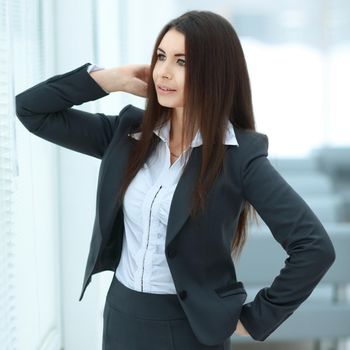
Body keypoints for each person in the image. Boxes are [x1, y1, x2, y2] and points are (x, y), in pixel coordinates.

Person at [15, 9, 335, 350]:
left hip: (190, 329)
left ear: (213, 73)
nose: (164, 72)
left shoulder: (239, 156)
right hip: (123, 315)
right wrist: (113, 79)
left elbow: (314, 247)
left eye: (182, 62)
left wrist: (258, 317)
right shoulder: (127, 133)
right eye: (161, 57)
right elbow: (31, 110)